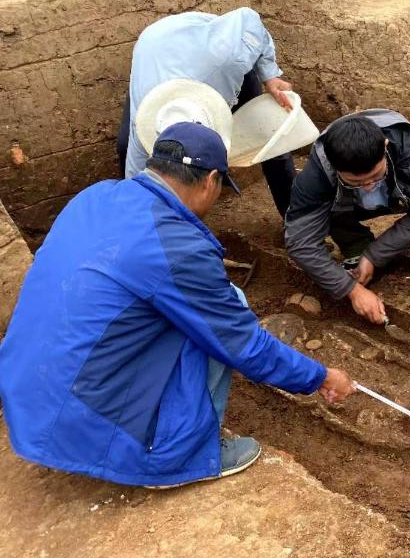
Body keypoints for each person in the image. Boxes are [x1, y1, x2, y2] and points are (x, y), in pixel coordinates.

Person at [0, 122, 354, 488]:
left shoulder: (96, 196)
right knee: (220, 319)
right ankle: (177, 455)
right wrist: (320, 377)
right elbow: (242, 343)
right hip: (85, 424)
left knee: (185, 311)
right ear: (210, 180)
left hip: (27, 397)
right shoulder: (177, 247)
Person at [285, 109, 410, 325]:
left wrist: (375, 255)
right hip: (349, 207)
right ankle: (356, 247)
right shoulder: (317, 173)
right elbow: (301, 242)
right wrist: (351, 289)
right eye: (355, 181)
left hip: (401, 196)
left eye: (375, 176)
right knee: (317, 202)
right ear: (333, 164)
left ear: (385, 147)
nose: (367, 186)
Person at [118, 7, 297, 217]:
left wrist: (269, 75)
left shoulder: (228, 57)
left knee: (269, 138)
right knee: (124, 145)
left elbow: (249, 21)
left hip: (208, 48)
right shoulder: (145, 123)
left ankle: (296, 219)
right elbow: (136, 179)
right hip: (154, 52)